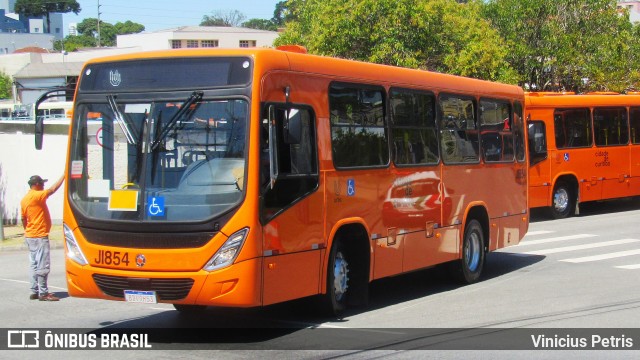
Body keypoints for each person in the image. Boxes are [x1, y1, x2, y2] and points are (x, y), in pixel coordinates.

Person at [20, 174, 64, 301]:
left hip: (30, 235)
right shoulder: (37, 196)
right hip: (39, 236)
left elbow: (23, 218)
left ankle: (34, 290)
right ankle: (43, 293)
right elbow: (53, 189)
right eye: (42, 183)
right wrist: (64, 176)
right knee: (43, 265)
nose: (44, 185)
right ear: (37, 184)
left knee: (33, 264)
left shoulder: (25, 199)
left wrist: (28, 230)